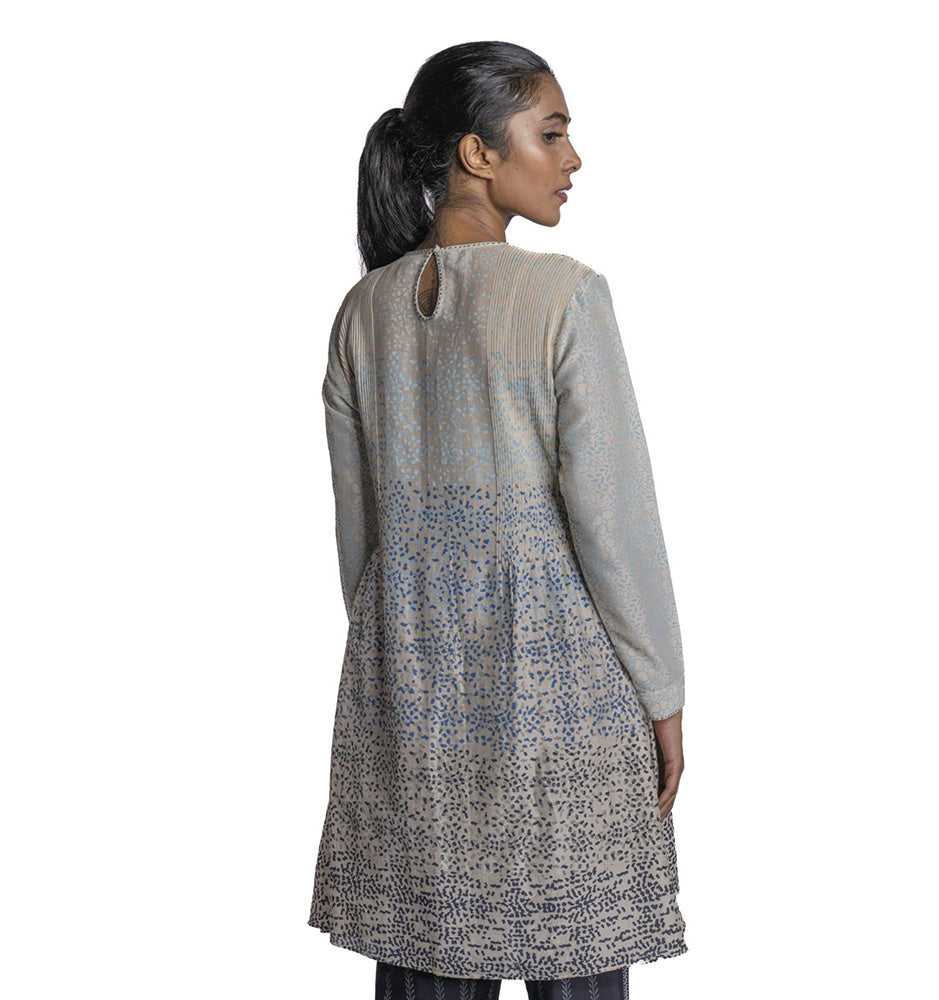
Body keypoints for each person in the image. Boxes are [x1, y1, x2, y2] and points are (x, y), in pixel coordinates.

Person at [308, 40, 688, 1000]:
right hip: (565, 704)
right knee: (578, 960)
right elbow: (616, 525)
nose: (572, 158)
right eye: (550, 134)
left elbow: (362, 544)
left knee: (428, 958)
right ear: (478, 153)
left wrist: (409, 664)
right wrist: (663, 694)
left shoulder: (361, 313)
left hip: (413, 705)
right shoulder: (563, 295)